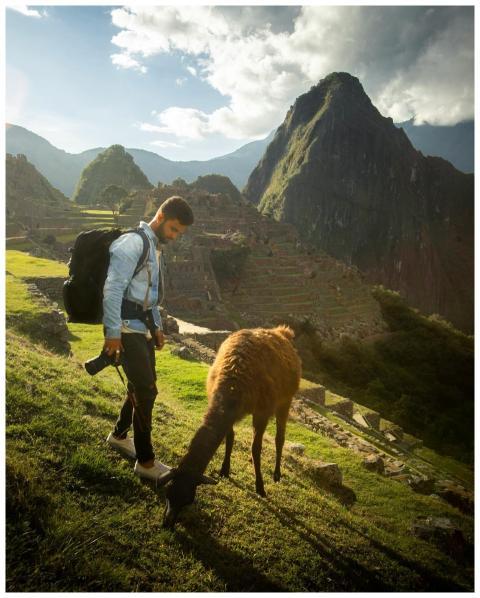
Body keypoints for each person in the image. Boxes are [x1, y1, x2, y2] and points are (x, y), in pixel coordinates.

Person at [103, 196, 194, 480]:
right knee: (147, 391)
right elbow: (113, 290)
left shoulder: (154, 248)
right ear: (161, 216)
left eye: (179, 232)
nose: (175, 236)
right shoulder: (133, 244)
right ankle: (145, 462)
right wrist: (112, 333)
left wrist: (156, 327)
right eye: (174, 229)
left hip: (141, 329)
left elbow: (150, 297)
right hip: (126, 329)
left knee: (140, 385)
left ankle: (119, 435)